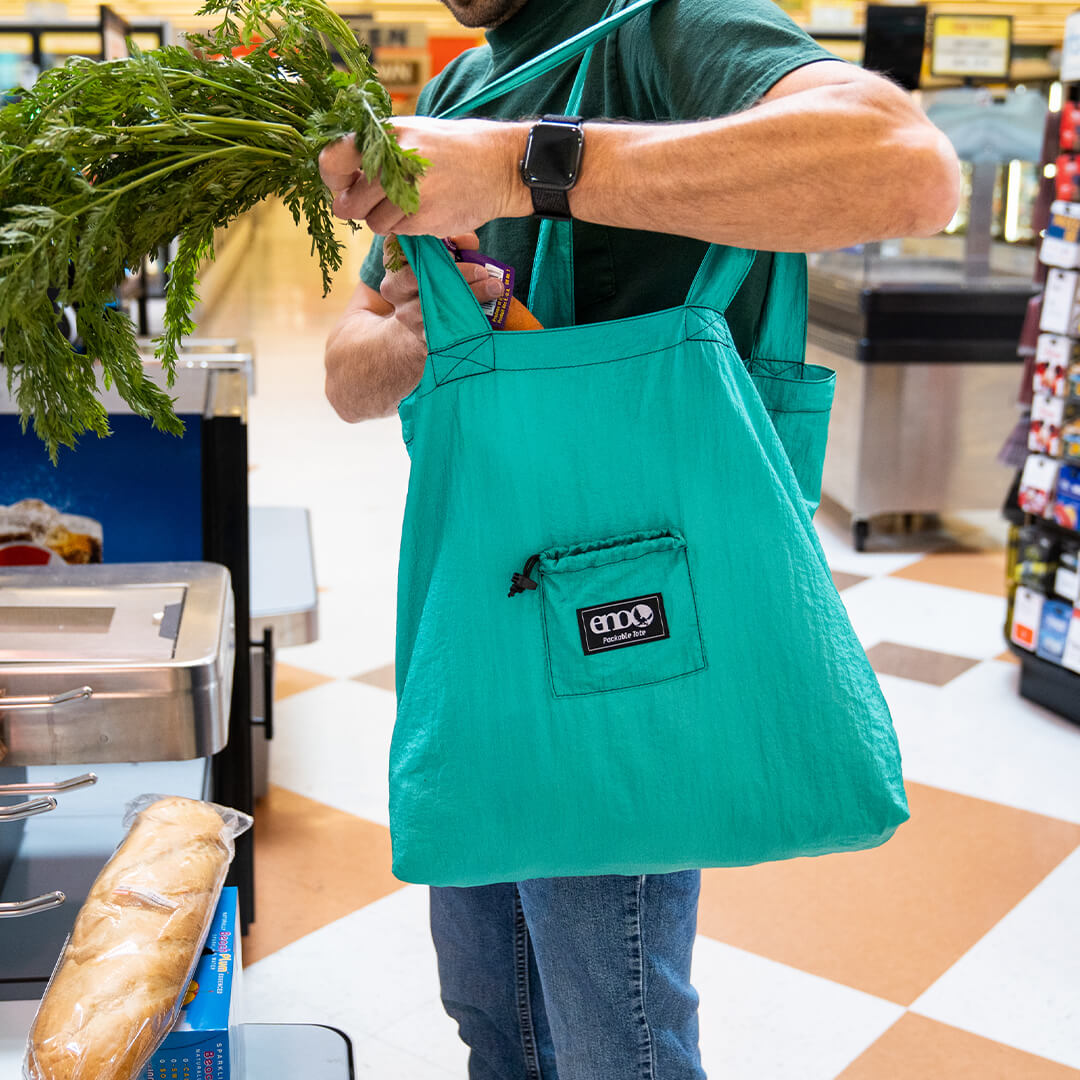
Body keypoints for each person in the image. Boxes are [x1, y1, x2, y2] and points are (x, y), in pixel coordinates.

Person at [319, 1, 959, 1076]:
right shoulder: (451, 94)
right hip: (481, 596)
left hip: (630, 612)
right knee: (489, 1007)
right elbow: (346, 376)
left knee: (613, 1031)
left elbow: (907, 169)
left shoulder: (671, 28)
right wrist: (415, 329)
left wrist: (527, 167)